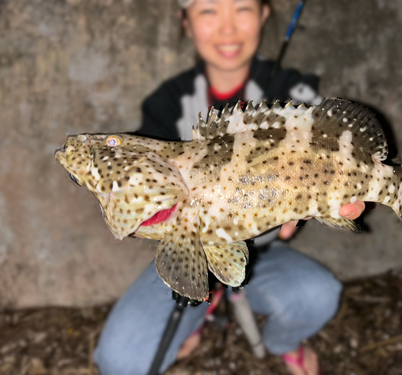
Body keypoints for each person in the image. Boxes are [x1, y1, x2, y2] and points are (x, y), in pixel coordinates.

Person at [93, 1, 365, 374]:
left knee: (319, 295)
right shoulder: (166, 105)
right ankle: (201, 306)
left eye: (242, 8)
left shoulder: (292, 91)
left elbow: (333, 151)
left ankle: (282, 342)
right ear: (184, 21)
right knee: (120, 361)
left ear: (264, 14)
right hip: (188, 257)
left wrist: (339, 198)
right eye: (208, 10)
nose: (227, 29)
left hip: (265, 256)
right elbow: (145, 190)